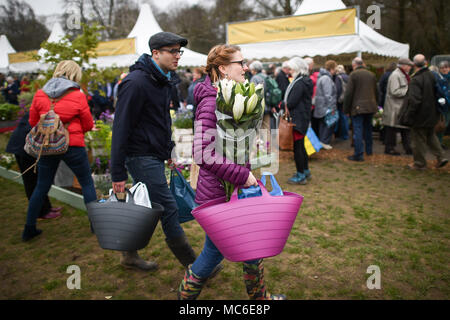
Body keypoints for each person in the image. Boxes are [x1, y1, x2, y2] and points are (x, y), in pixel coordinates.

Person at [178, 44, 286, 300]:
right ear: (223, 68)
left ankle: (259, 298)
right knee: (221, 251)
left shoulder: (226, 95)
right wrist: (242, 175)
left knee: (236, 248)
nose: (246, 67)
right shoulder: (210, 100)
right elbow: (202, 153)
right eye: (241, 63)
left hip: (229, 193)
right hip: (219, 194)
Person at [111, 32, 202, 272]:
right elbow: (120, 128)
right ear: (156, 53)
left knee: (147, 207)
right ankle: (194, 266)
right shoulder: (136, 82)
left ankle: (128, 255)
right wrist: (117, 172)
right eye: (172, 51)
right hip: (139, 155)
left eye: (178, 51)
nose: (177, 56)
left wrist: (169, 150)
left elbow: (161, 121)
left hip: (153, 153)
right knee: (168, 207)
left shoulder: (163, 79)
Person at [22, 60, 97, 241]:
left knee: (42, 186)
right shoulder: (78, 95)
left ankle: (29, 228)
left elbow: (33, 122)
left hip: (48, 146)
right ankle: (97, 226)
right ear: (74, 74)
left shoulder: (40, 94)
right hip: (73, 144)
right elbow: (88, 123)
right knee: (87, 183)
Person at [6, 111, 62, 220]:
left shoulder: (45, 106)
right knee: (31, 181)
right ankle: (40, 212)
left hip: (28, 145)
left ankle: (47, 207)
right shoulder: (46, 109)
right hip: (24, 147)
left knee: (38, 180)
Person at [404, 54, 448, 170]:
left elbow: (415, 101)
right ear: (426, 63)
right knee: (431, 136)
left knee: (418, 140)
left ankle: (419, 163)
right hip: (432, 113)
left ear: (414, 65)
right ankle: (441, 157)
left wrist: (409, 115)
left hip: (420, 115)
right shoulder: (433, 76)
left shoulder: (416, 79)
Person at [343, 57, 379, 161]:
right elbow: (377, 91)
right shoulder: (371, 74)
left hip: (358, 107)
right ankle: (369, 150)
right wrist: (376, 104)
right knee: (368, 129)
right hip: (370, 106)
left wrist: (346, 109)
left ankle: (358, 154)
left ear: (354, 65)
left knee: (358, 130)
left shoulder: (353, 75)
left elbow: (348, 94)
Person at [285, 57, 313, 185]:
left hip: (298, 119)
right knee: (301, 146)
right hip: (303, 118)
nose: (289, 71)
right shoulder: (305, 80)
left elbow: (291, 102)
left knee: (298, 148)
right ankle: (305, 171)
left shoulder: (300, 82)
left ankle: (301, 174)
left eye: (291, 68)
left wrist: (282, 104)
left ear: (296, 68)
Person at [382, 58, 414, 156]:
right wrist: (409, 90)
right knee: (392, 129)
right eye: (409, 65)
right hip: (394, 107)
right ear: (403, 65)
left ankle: (408, 148)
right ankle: (390, 148)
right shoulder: (396, 75)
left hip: (401, 107)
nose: (410, 67)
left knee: (405, 128)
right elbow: (394, 91)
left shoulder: (404, 74)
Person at [313, 60, 338, 150]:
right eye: (335, 68)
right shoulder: (326, 79)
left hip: (321, 106)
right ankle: (324, 141)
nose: (336, 70)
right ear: (331, 69)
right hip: (326, 106)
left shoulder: (322, 77)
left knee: (323, 124)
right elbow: (328, 95)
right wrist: (332, 107)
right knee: (327, 124)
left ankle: (322, 141)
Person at [432, 61, 450, 147]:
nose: (445, 69)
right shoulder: (438, 78)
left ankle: (440, 142)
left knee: (445, 124)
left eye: (446, 67)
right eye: (442, 68)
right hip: (442, 105)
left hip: (448, 104)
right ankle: (437, 143)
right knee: (440, 125)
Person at [335, 65, 350, 140]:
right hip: (347, 99)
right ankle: (346, 134)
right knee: (345, 117)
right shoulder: (348, 77)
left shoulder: (338, 77)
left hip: (341, 100)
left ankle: (343, 135)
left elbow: (337, 90)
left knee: (342, 117)